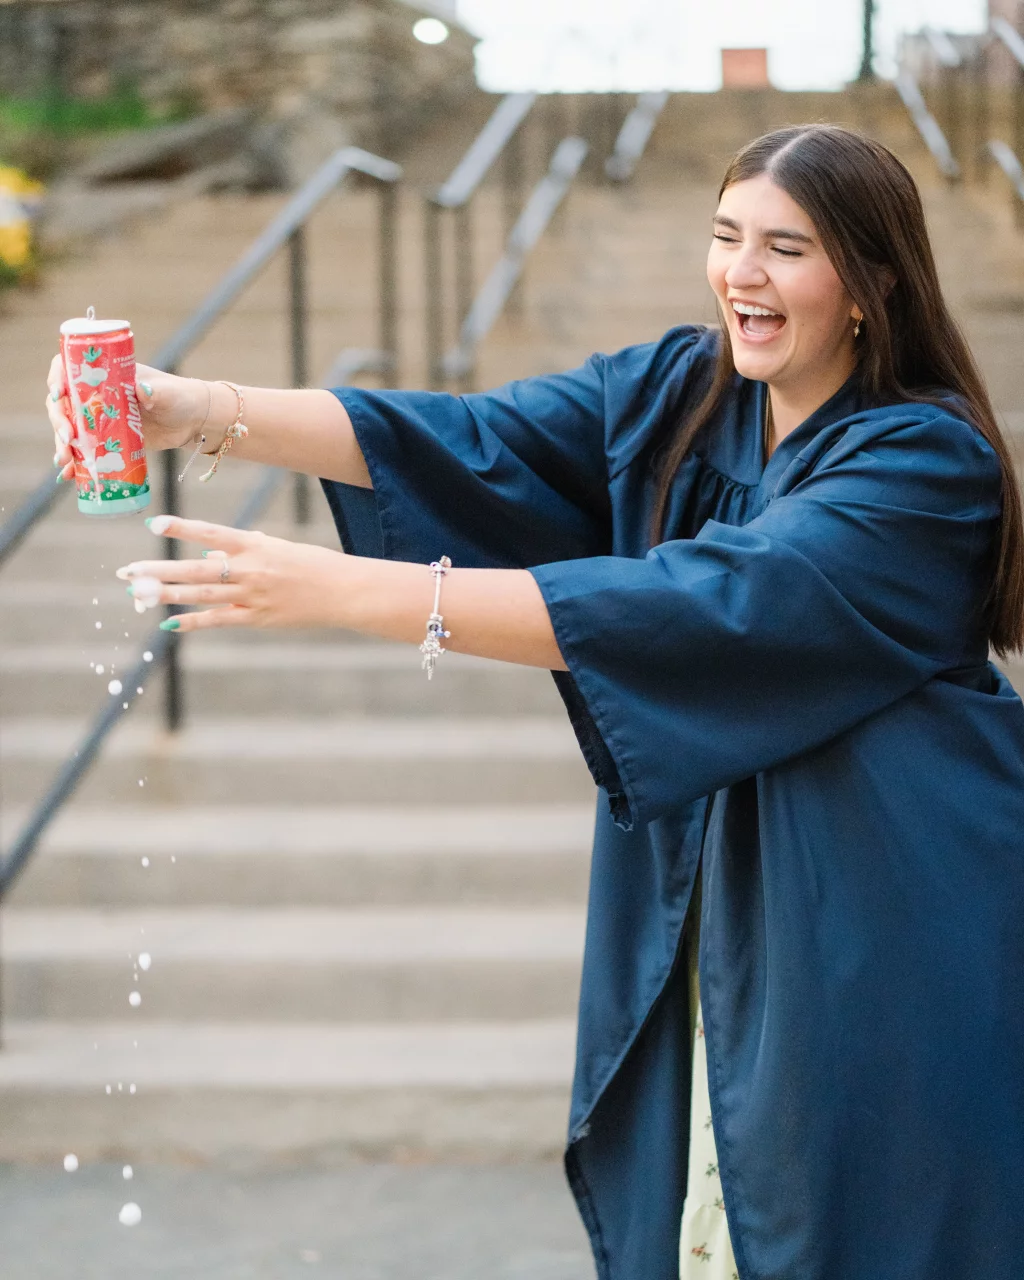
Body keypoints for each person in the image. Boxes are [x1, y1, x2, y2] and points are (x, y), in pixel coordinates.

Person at [47, 125, 1024, 1280]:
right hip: (724, 918)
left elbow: (712, 604)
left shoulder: (921, 463)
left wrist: (351, 590)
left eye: (785, 248)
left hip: (886, 929)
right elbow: (476, 438)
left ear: (872, 283)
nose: (740, 275)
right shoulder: (682, 392)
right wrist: (189, 406)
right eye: (724, 237)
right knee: (711, 1217)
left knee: (863, 1223)